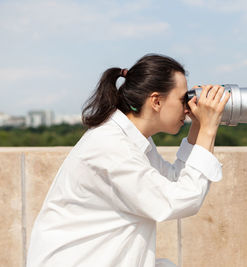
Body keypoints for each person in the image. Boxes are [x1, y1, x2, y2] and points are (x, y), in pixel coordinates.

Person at [26, 54, 230, 267]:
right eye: (182, 100)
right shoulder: (111, 146)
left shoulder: (133, 139)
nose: (188, 108)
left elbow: (173, 182)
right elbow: (176, 202)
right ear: (156, 101)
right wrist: (208, 128)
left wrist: (198, 126)